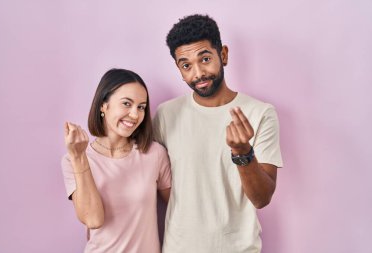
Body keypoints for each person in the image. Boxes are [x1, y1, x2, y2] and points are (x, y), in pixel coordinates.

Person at [153, 14, 283, 252]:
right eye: (186, 65)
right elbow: (158, 182)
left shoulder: (260, 113)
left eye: (205, 58)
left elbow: (262, 198)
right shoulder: (165, 115)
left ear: (223, 54)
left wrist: (243, 152)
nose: (198, 73)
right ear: (178, 68)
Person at [61, 68, 171, 253]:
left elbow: (180, 207)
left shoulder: (154, 154)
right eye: (126, 104)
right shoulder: (74, 159)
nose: (135, 115)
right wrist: (79, 157)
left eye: (141, 107)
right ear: (103, 105)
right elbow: (93, 219)